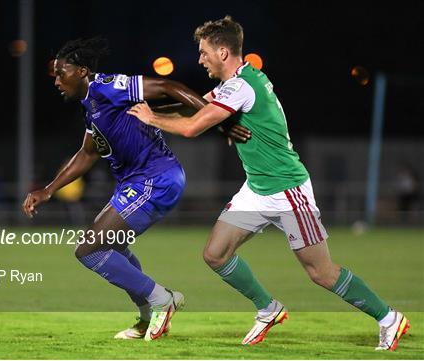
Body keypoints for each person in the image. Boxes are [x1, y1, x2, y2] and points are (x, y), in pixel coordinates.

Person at [128, 16, 409, 350]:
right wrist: (142, 110)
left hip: (287, 190)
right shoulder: (234, 84)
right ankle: (268, 308)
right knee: (215, 254)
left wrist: (150, 118)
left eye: (204, 52)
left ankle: (389, 318)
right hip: (257, 189)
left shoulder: (240, 86)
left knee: (321, 273)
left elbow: (192, 127)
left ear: (222, 51)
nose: (200, 59)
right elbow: (192, 108)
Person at [21, 37, 249, 341]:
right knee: (110, 248)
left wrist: (218, 120)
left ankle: (161, 301)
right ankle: (146, 317)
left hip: (156, 179)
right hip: (137, 182)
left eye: (62, 73)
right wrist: (48, 189)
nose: (57, 81)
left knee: (89, 250)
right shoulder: (91, 105)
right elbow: (87, 153)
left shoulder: (108, 86)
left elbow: (167, 87)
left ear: (82, 71)